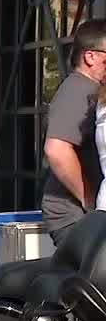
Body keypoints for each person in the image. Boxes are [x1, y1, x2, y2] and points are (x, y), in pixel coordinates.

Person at [46, 20, 106, 243]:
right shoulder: (78, 89)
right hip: (75, 219)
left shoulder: (90, 90)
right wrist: (90, 200)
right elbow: (57, 150)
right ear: (90, 57)